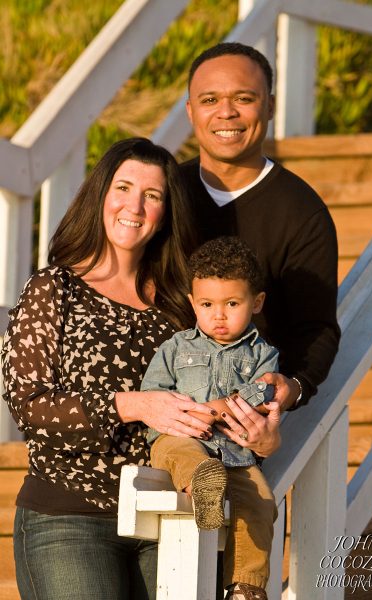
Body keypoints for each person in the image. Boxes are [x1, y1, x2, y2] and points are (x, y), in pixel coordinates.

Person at [0, 137, 221, 600]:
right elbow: (29, 405)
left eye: (152, 195)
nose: (134, 206)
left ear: (166, 213)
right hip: (69, 517)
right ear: (100, 194)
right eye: (123, 187)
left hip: (168, 514)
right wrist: (132, 405)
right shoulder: (53, 288)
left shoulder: (183, 306)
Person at [180, 42, 341, 417]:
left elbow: (316, 327)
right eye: (209, 100)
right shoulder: (165, 193)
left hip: (239, 414)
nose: (226, 112)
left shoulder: (302, 212)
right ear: (191, 111)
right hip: (155, 394)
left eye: (243, 98)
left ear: (269, 106)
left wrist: (294, 386)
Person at [141, 236, 281, 600]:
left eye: (232, 303)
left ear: (257, 303)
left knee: (261, 502)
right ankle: (200, 482)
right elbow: (151, 396)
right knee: (180, 452)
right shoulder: (176, 347)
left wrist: (228, 404)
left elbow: (263, 395)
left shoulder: (263, 355)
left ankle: (245, 586)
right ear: (192, 303)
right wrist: (184, 413)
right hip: (181, 436)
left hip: (235, 453)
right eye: (207, 304)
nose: (218, 315)